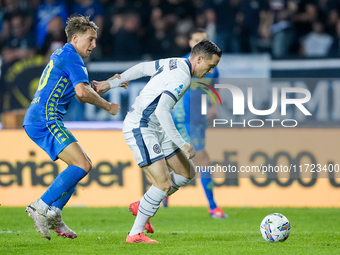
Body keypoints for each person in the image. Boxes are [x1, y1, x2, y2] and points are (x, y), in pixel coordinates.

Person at [92, 40, 222, 243]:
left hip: (157, 127)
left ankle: (142, 205)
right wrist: (182, 143)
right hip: (142, 127)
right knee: (162, 183)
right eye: (211, 66)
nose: (210, 71)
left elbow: (142, 68)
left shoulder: (175, 63)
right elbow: (162, 110)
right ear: (199, 59)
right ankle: (135, 233)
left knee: (187, 172)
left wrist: (111, 83)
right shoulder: (183, 77)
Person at [24, 15, 121, 241]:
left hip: (39, 118)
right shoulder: (73, 58)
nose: (94, 45)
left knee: (78, 166)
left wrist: (111, 83)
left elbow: (84, 89)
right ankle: (41, 206)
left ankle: (55, 213)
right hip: (45, 119)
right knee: (83, 164)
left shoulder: (64, 54)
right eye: (90, 39)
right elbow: (82, 93)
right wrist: (108, 107)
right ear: (75, 38)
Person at [162, 29, 227, 219]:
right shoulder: (181, 64)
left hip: (199, 120)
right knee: (203, 160)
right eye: (197, 40)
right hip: (183, 118)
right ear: (191, 43)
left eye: (204, 40)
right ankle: (213, 206)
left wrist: (214, 107)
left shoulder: (213, 68)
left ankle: (162, 190)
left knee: (182, 161)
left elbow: (214, 90)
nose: (201, 43)